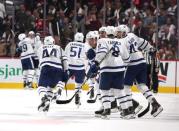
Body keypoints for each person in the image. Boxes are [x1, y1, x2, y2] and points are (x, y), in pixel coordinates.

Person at [116, 24, 163, 117]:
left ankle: (130, 109)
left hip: (132, 64)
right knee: (141, 86)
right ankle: (155, 104)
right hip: (142, 62)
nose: (117, 34)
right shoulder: (132, 35)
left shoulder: (121, 41)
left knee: (125, 87)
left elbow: (126, 57)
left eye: (119, 32)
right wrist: (151, 50)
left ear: (124, 32)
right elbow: (143, 43)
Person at [87, 26, 132, 119]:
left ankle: (107, 111)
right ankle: (127, 112)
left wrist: (96, 63)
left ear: (106, 34)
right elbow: (127, 58)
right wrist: (122, 65)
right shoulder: (120, 42)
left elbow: (102, 53)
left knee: (104, 90)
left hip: (107, 69)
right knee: (119, 91)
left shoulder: (102, 41)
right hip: (120, 69)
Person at [37, 36, 68, 112]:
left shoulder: (40, 48)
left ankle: (45, 99)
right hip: (58, 68)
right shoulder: (58, 47)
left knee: (41, 86)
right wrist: (66, 71)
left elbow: (40, 61)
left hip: (46, 67)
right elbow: (64, 60)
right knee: (50, 87)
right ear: (53, 42)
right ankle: (48, 104)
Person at [65, 32, 86, 106]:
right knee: (79, 84)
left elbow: (65, 55)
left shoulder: (70, 44)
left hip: (69, 66)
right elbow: (87, 57)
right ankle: (77, 94)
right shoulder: (85, 45)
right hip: (80, 67)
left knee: (62, 81)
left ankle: (58, 92)